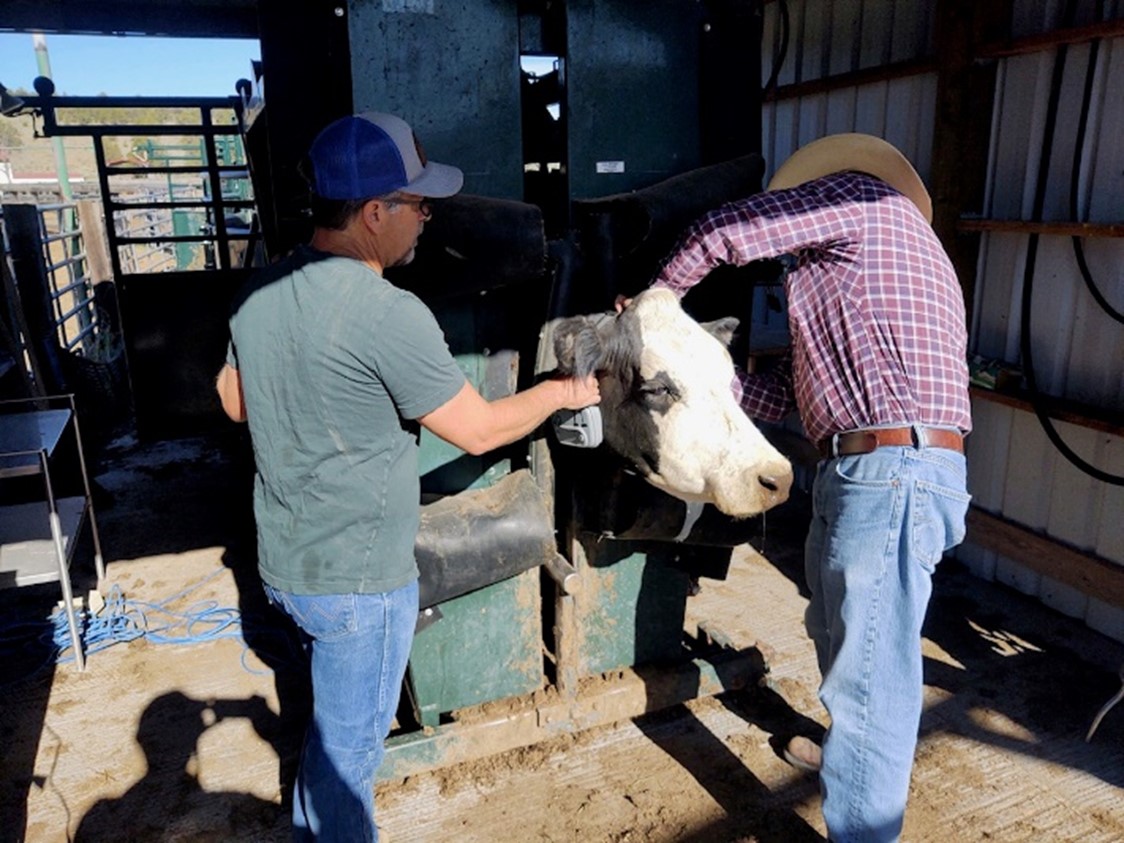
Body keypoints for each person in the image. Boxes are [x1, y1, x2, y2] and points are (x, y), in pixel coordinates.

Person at [215, 111, 599, 843]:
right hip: (360, 585)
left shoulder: (260, 291)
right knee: (348, 770)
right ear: (372, 213)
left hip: (287, 569)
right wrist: (559, 392)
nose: (427, 217)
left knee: (328, 742)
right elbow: (481, 430)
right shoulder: (389, 313)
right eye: (418, 203)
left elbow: (234, 402)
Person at [638, 134, 972, 843]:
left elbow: (728, 231)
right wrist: (706, 379)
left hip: (890, 468)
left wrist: (658, 301)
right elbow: (792, 392)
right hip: (869, 464)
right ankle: (855, 761)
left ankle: (862, 818)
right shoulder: (874, 261)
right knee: (841, 635)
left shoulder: (862, 198)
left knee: (871, 671)